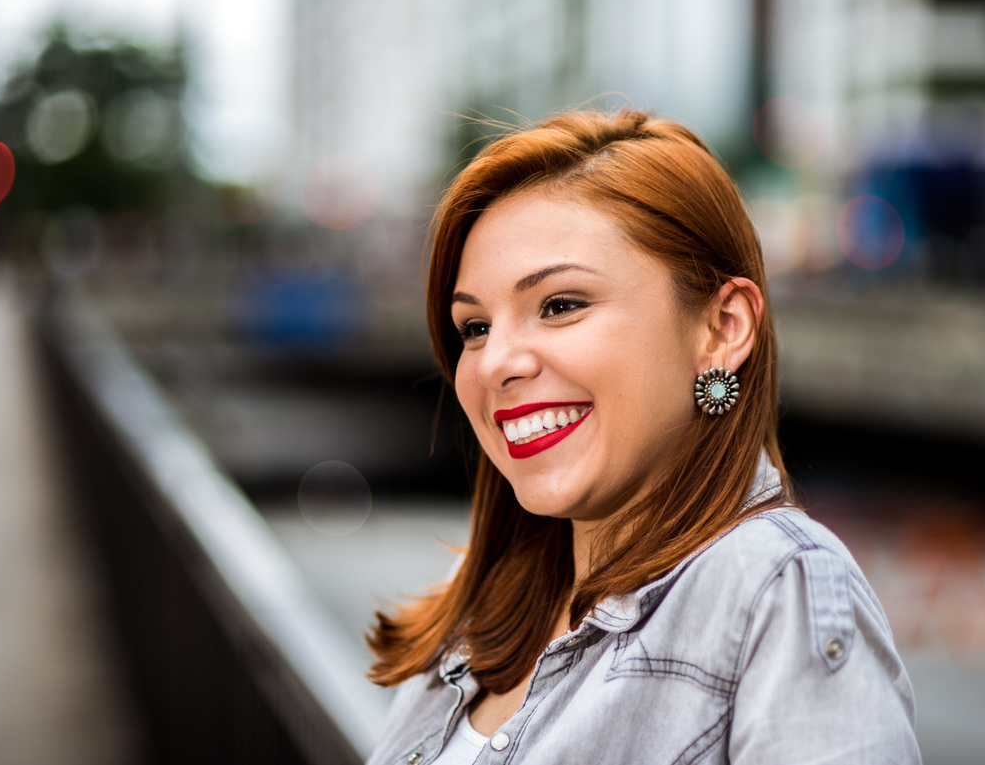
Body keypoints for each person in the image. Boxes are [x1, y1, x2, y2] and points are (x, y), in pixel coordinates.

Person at [365, 108, 920, 765]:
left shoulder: (776, 587)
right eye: (475, 327)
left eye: (561, 304)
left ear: (722, 327)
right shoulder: (482, 599)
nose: (495, 362)